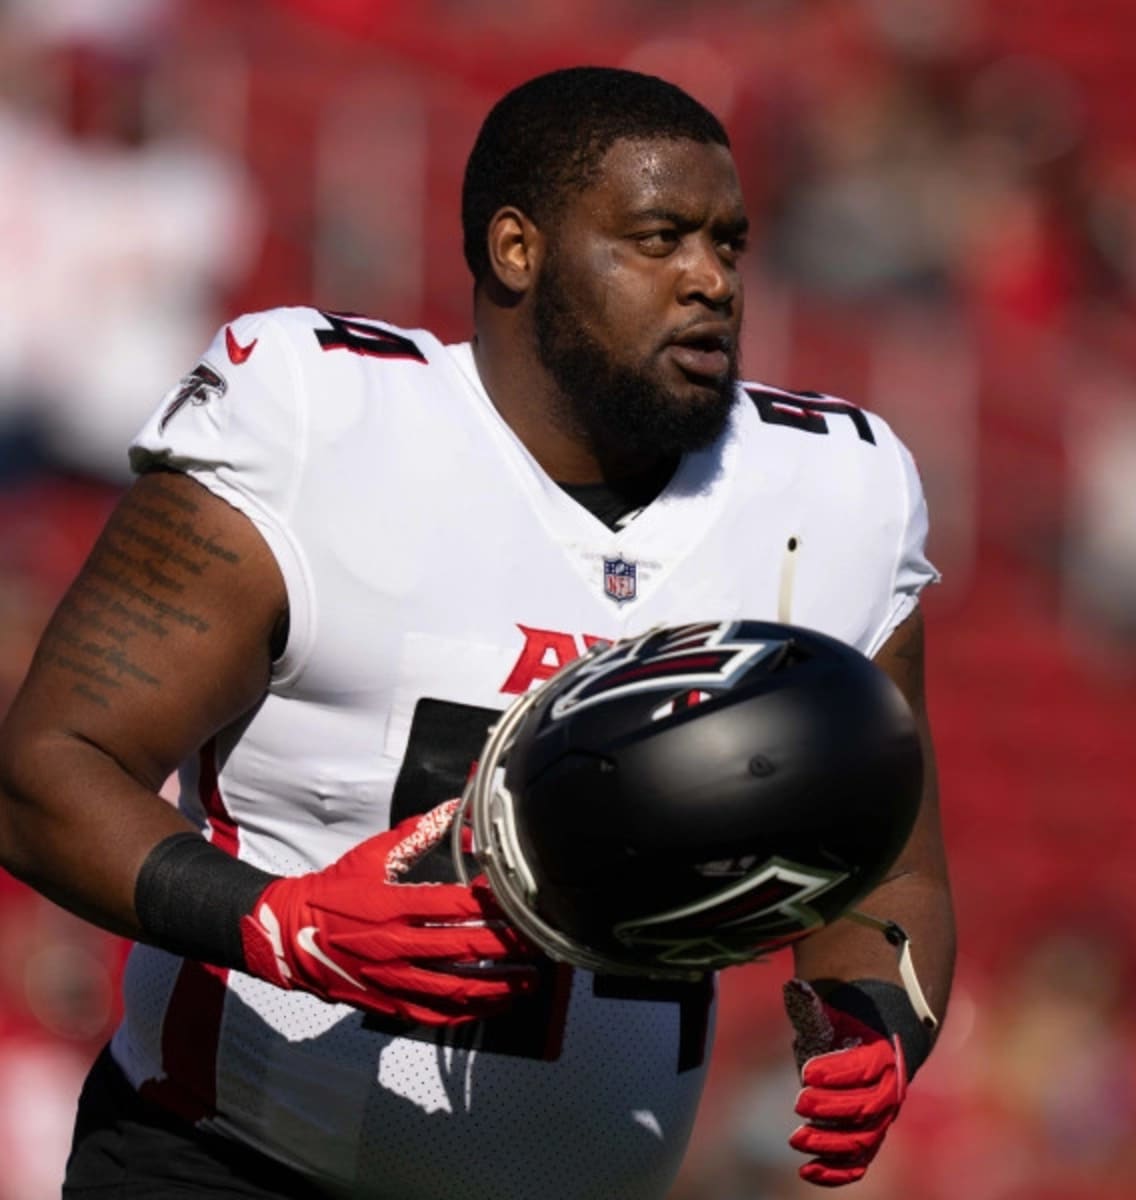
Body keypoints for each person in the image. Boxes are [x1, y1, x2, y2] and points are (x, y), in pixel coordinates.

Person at [0, 65, 955, 1199]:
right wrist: (277, 923)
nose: (710, 280)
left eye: (730, 244)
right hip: (227, 1161)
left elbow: (889, 863)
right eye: (659, 239)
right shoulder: (317, 422)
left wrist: (877, 1016)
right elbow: (45, 771)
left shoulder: (831, 495)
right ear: (518, 249)